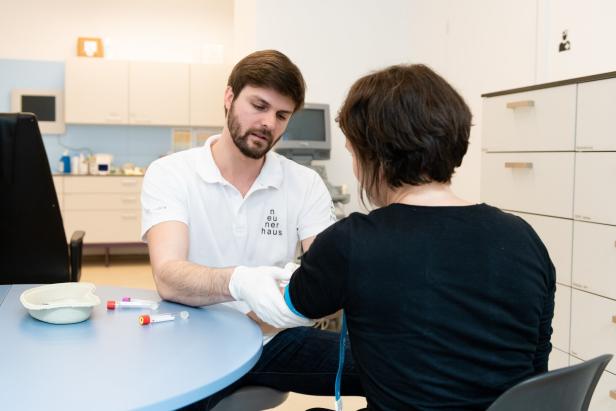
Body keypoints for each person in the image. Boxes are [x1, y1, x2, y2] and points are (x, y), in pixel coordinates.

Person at [284, 64, 555, 410]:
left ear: (375, 155)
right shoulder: (524, 238)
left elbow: (296, 302)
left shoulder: (352, 241)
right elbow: (537, 368)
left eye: (353, 154)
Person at [141, 49, 364, 409]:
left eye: (281, 115)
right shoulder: (171, 173)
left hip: (274, 338)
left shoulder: (303, 183)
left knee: (392, 368)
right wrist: (238, 281)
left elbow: (330, 279)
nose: (268, 124)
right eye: (258, 105)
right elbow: (168, 276)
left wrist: (266, 317)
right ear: (229, 98)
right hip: (194, 338)